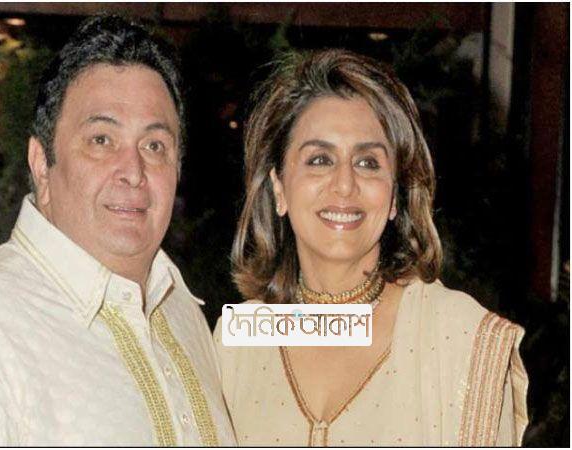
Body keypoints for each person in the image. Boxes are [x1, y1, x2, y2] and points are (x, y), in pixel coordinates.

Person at [0, 15, 235, 446]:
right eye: (101, 140)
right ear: (41, 165)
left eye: (154, 145)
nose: (133, 171)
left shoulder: (181, 312)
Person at [213, 49, 528, 446]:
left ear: (394, 195)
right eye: (319, 159)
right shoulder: (240, 338)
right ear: (279, 188)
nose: (344, 185)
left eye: (368, 163)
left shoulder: (462, 337)